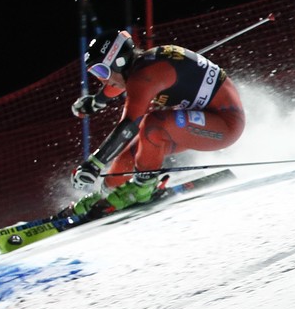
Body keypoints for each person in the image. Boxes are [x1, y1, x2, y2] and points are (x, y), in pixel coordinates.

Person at [66, 30, 246, 215]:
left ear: (119, 60)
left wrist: (94, 164)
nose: (102, 78)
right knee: (128, 158)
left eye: (101, 70)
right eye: (96, 72)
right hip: (196, 122)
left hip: (225, 124)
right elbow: (115, 85)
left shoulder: (146, 75)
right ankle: (106, 194)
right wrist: (97, 101)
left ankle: (143, 188)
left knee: (154, 125)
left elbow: (129, 125)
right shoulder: (142, 66)